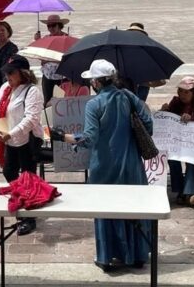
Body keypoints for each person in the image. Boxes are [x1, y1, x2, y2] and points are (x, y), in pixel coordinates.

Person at [60, 59, 152, 271]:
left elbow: (89, 138)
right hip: (131, 163)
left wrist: (64, 138)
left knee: (105, 210)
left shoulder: (94, 104)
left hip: (105, 165)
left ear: (96, 82)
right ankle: (137, 255)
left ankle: (107, 256)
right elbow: (148, 124)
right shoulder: (129, 96)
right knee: (134, 207)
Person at [0, 55, 44, 236]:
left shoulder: (32, 91)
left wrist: (11, 133)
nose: (7, 76)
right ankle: (23, 201)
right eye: (6, 73)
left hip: (26, 140)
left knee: (28, 177)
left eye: (11, 73)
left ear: (22, 73)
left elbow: (31, 119)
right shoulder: (6, 88)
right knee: (9, 172)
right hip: (9, 140)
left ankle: (29, 217)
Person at [160, 76, 194, 207]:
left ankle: (190, 192)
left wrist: (193, 118)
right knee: (173, 160)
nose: (183, 94)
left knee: (192, 160)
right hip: (176, 142)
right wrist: (164, 111)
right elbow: (166, 120)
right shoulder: (175, 103)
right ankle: (180, 190)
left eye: (187, 92)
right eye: (181, 91)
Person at [126, 23, 166, 101]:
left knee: (139, 103)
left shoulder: (147, 50)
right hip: (128, 83)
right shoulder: (125, 48)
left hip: (143, 84)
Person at [34, 14, 69, 105]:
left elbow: (67, 59)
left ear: (59, 25)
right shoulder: (45, 39)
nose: (51, 28)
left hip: (62, 76)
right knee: (47, 102)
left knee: (62, 102)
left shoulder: (67, 39)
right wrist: (37, 42)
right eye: (49, 26)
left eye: (53, 25)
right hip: (47, 76)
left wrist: (48, 60)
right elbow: (41, 59)